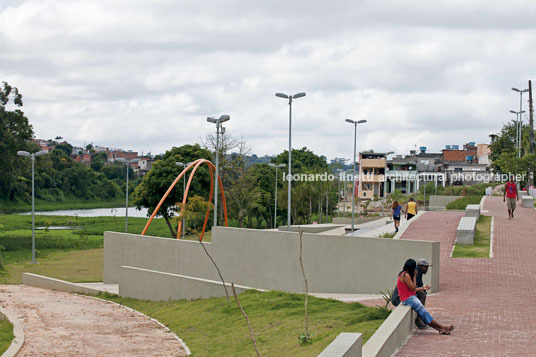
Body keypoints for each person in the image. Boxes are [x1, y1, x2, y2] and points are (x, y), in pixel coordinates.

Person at [397, 258, 454, 335]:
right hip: (408, 298)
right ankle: (442, 327)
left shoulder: (404, 274)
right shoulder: (406, 275)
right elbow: (413, 288)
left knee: (424, 313)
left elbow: (412, 289)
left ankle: (440, 329)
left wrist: (423, 288)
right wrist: (414, 276)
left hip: (410, 297)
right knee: (424, 313)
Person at [414, 258, 432, 329]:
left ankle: (421, 317)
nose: (427, 269)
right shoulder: (416, 272)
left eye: (427, 267)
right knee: (422, 294)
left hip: (411, 292)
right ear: (420, 266)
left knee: (423, 293)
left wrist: (424, 287)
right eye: (425, 267)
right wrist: (423, 288)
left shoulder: (419, 272)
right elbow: (413, 288)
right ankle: (418, 319)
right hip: (402, 296)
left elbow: (420, 285)